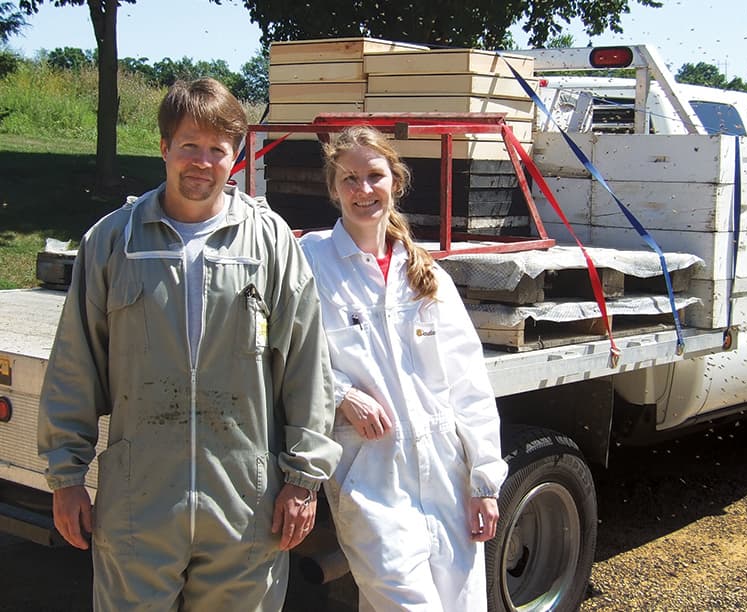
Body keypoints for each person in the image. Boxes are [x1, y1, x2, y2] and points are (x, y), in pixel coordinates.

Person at [37, 77, 341, 611]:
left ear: (237, 155)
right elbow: (75, 363)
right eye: (188, 147)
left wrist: (302, 480)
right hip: (139, 502)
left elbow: (306, 364)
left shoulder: (269, 243)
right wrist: (65, 476)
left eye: (217, 150)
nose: (202, 162)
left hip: (245, 505)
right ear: (164, 148)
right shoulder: (114, 241)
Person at [299, 125, 508, 611]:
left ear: (395, 181)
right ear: (333, 188)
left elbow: (468, 382)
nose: (362, 190)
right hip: (369, 473)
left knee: (460, 605)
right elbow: (285, 354)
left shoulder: (426, 275)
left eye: (374, 175)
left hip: (445, 472)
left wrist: (483, 481)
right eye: (349, 178)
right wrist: (340, 395)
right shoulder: (310, 260)